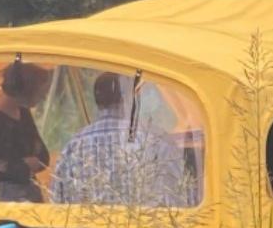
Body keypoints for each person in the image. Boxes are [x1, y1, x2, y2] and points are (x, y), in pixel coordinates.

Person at [51, 73, 189, 207]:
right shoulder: (158, 141)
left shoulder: (73, 147)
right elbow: (179, 202)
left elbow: (57, 206)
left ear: (97, 101)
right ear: (131, 97)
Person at [0, 60, 51, 202]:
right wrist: (25, 165)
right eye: (40, 93)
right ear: (26, 90)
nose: (43, 98)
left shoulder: (23, 112)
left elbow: (43, 156)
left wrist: (23, 164)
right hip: (12, 198)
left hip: (32, 191)